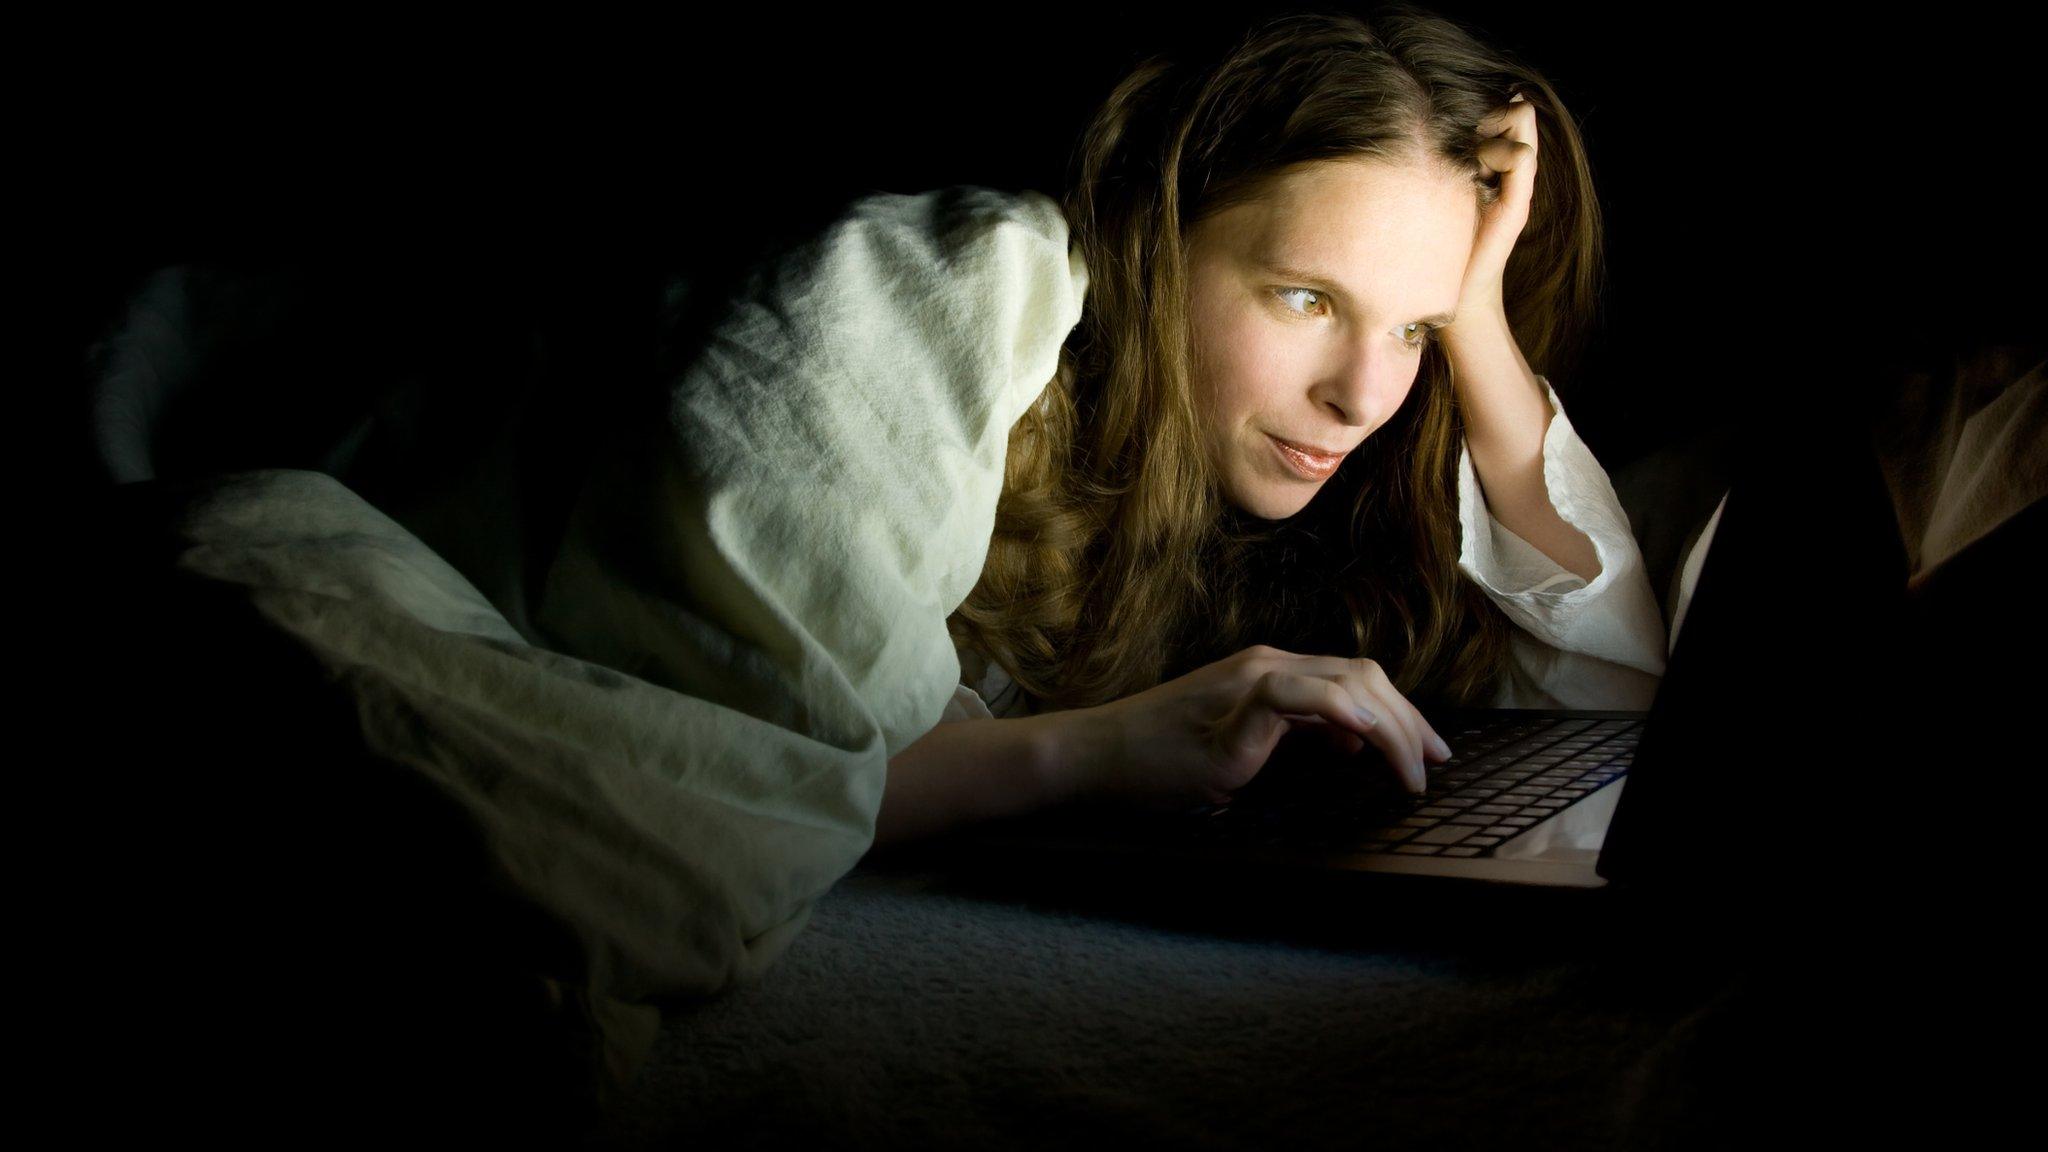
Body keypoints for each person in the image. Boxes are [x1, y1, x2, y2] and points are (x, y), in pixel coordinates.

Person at [874, 4, 1675, 850]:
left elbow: (1612, 717)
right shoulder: (971, 397)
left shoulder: (1372, 512)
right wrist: (1094, 753)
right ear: (1161, 240)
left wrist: (1472, 312)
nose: (1362, 400)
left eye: (1412, 330)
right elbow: (782, 794)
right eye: (1307, 299)